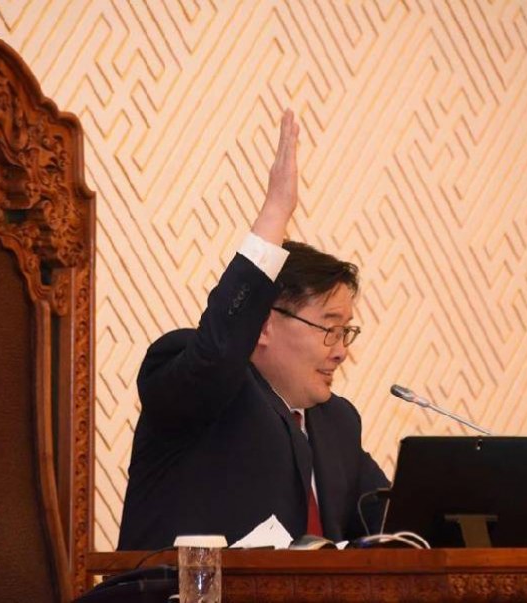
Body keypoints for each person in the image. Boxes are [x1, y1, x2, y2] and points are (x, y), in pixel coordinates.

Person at [118, 110, 389, 550]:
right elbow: (219, 351)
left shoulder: (337, 422)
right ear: (263, 324)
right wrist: (276, 213)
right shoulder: (199, 383)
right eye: (329, 328)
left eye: (346, 332)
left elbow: (395, 529)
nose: (341, 351)